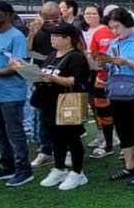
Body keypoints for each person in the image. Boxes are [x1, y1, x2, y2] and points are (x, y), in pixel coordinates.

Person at [0, 2, 35, 187]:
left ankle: (23, 169)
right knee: (0, 133)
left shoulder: (16, 37)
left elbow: (17, 66)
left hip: (11, 94)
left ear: (7, 14)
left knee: (15, 132)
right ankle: (7, 166)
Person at [95, 8, 134, 186]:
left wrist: (127, 62)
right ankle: (130, 166)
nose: (115, 31)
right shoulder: (115, 44)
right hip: (116, 91)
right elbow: (112, 68)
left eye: (117, 27)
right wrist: (104, 64)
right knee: (122, 130)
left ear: (128, 24)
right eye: (112, 28)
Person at [34, 23, 91, 191]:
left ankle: (78, 172)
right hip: (50, 102)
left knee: (72, 137)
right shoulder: (51, 55)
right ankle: (59, 168)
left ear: (68, 39)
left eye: (55, 36)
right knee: (55, 137)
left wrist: (53, 79)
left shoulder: (76, 57)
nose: (51, 39)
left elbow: (77, 81)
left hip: (68, 103)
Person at [26, 3, 62, 168]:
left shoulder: (65, 29)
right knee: (42, 117)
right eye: (46, 19)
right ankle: (45, 150)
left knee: (63, 116)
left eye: (54, 19)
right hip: (41, 76)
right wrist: (33, 32)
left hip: (60, 75)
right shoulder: (38, 30)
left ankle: (64, 149)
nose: (50, 23)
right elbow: (27, 49)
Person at [87, 7, 119, 158]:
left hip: (120, 80)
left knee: (123, 113)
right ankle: (108, 143)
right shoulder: (99, 33)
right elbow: (92, 53)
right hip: (101, 79)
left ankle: (127, 145)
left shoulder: (127, 33)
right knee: (103, 113)